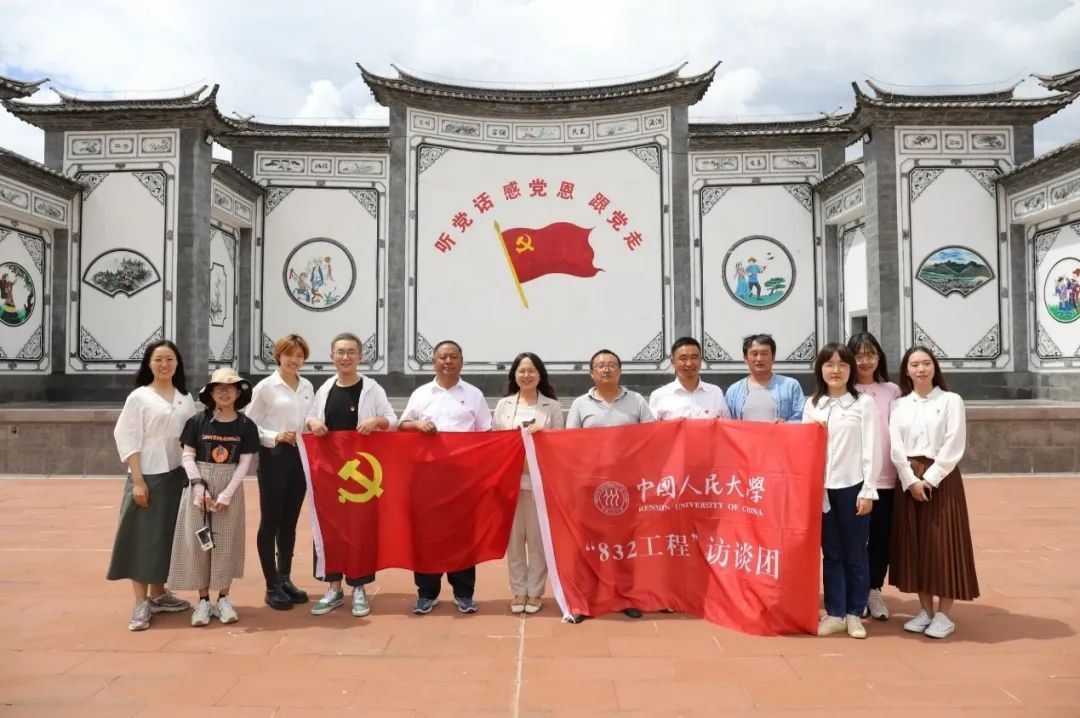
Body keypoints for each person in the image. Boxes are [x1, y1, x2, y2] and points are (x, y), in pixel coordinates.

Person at [889, 346, 979, 639]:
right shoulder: (899, 405)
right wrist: (909, 479)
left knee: (944, 543)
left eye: (926, 363)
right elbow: (895, 446)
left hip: (942, 478)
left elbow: (954, 443)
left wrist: (929, 479)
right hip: (908, 478)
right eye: (914, 364)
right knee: (916, 544)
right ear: (906, 370)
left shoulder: (951, 401)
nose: (921, 369)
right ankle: (925, 610)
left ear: (934, 367)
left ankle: (944, 614)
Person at [305, 332, 397, 617]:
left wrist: (376, 420)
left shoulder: (372, 389)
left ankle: (358, 587)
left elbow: (392, 420)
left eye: (351, 352)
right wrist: (312, 421)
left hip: (361, 474)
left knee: (359, 529)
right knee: (329, 527)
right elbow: (309, 418)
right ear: (332, 357)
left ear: (360, 356)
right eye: (340, 352)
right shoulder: (324, 389)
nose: (345, 357)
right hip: (330, 475)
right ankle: (333, 587)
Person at [108, 340, 197, 631]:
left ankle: (159, 594)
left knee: (165, 537)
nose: (164, 365)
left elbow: (191, 436)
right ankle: (140, 602)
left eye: (169, 359)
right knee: (142, 539)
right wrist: (137, 480)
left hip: (176, 476)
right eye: (158, 359)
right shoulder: (139, 397)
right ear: (149, 363)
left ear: (177, 363)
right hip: (148, 475)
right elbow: (127, 437)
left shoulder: (185, 397)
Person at [399, 339, 492, 615]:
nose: (448, 361)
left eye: (453, 357)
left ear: (462, 361)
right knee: (426, 534)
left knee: (462, 534)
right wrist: (417, 424)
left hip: (462, 478)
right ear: (433, 362)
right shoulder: (421, 393)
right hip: (427, 477)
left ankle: (464, 593)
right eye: (442, 357)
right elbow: (402, 425)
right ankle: (427, 593)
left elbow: (485, 433)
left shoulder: (474, 394)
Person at [566, 348, 654, 621]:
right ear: (591, 373)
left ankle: (625, 596)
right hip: (590, 486)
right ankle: (583, 600)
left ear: (620, 370)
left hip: (626, 486)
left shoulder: (636, 401)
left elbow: (653, 436)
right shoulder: (581, 404)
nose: (606, 369)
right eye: (600, 365)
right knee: (586, 544)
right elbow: (569, 443)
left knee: (624, 544)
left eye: (612, 364)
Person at [168, 368, 260, 627]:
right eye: (219, 387)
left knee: (226, 544)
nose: (224, 392)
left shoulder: (246, 425)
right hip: (199, 488)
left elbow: (244, 464)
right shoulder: (197, 422)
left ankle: (223, 598)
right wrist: (200, 489)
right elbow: (188, 456)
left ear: (238, 392)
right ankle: (203, 601)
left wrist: (227, 494)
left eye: (230, 387)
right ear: (210, 392)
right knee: (199, 545)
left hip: (230, 489)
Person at [803, 343, 880, 639]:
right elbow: (803, 447)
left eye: (842, 365)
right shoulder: (813, 405)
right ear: (820, 369)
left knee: (856, 553)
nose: (835, 371)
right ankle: (835, 613)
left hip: (853, 487)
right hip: (822, 490)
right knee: (831, 552)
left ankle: (855, 613)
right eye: (829, 365)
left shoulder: (863, 403)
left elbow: (872, 448)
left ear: (851, 370)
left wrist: (868, 490)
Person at [245, 334, 315, 611]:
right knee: (270, 521)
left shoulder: (307, 386)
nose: (294, 360)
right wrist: (274, 436)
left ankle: (285, 578)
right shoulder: (266, 387)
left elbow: (308, 419)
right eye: (289, 354)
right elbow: (249, 424)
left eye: (299, 355)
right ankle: (271, 585)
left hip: (300, 458)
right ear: (278, 356)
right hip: (274, 456)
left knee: (290, 521)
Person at [492, 352, 564, 615]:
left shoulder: (552, 407)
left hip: (538, 484)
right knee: (514, 543)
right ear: (514, 375)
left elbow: (561, 444)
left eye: (531, 370)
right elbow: (494, 442)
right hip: (510, 485)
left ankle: (535, 591)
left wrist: (543, 436)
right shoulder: (503, 406)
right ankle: (518, 590)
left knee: (537, 541)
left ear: (540, 375)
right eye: (521, 371)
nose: (526, 375)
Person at [848, 332, 902, 621]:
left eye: (870, 354)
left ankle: (874, 591)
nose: (864, 361)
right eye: (858, 355)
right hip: (853, 478)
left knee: (881, 538)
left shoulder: (892, 391)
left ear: (879, 357)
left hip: (887, 478)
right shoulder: (843, 391)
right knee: (854, 539)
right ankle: (854, 592)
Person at [724, 334, 804, 422]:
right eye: (754, 354)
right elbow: (726, 423)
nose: (759, 358)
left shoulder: (791, 386)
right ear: (746, 358)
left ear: (773, 357)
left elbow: (801, 420)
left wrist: (785, 425)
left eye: (765, 354)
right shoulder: (733, 391)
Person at [649, 336, 731, 421]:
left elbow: (728, 425)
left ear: (700, 360)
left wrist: (720, 422)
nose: (689, 363)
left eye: (694, 357)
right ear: (673, 362)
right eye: (683, 358)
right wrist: (671, 425)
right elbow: (652, 428)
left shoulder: (715, 393)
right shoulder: (659, 395)